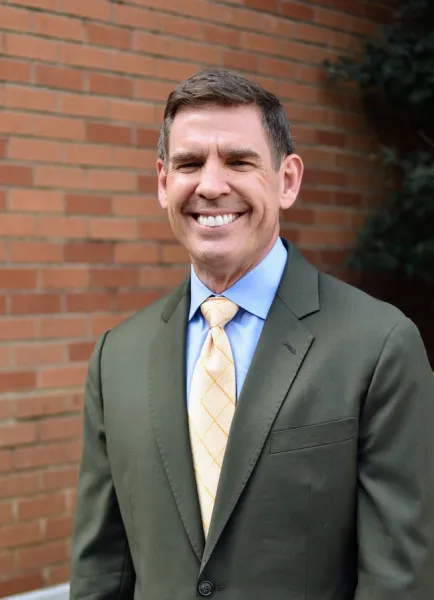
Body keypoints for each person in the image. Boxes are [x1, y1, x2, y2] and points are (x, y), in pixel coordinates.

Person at [70, 68, 434, 599]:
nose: (211, 185)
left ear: (287, 180)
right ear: (163, 182)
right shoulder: (116, 356)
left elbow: (398, 579)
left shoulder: (380, 345)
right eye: (189, 163)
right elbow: (103, 567)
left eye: (239, 161)